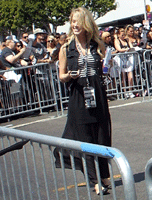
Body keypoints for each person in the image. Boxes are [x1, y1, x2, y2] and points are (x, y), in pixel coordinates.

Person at [53, 7, 112, 195]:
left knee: (101, 137)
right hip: (78, 98)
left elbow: (105, 66)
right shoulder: (65, 48)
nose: (74, 25)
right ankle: (94, 180)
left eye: (77, 21)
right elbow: (61, 76)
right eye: (72, 21)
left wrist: (107, 65)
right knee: (85, 139)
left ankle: (103, 174)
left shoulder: (97, 44)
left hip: (98, 96)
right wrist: (69, 76)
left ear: (86, 23)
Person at [114, 28, 135, 98]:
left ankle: (130, 90)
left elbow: (131, 47)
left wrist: (130, 48)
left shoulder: (127, 40)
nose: (123, 36)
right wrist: (126, 49)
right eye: (122, 35)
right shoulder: (117, 41)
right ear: (118, 35)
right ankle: (125, 91)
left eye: (124, 35)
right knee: (123, 76)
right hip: (121, 59)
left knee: (130, 76)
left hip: (128, 59)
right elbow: (118, 49)